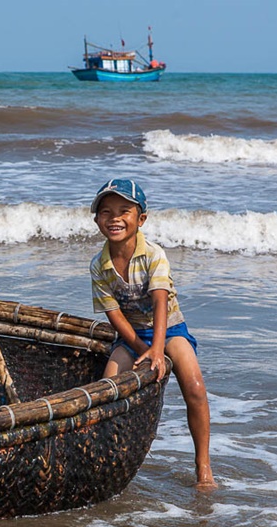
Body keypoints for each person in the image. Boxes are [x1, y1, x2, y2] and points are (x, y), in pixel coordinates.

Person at [89, 179, 216, 490]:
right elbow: (114, 314)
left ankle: (203, 466)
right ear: (96, 220)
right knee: (109, 390)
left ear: (141, 219)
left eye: (124, 211)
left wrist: (157, 350)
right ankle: (111, 459)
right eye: (106, 212)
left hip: (169, 329)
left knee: (195, 388)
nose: (114, 218)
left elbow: (160, 302)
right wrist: (137, 347)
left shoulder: (154, 255)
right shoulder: (99, 265)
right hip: (131, 335)